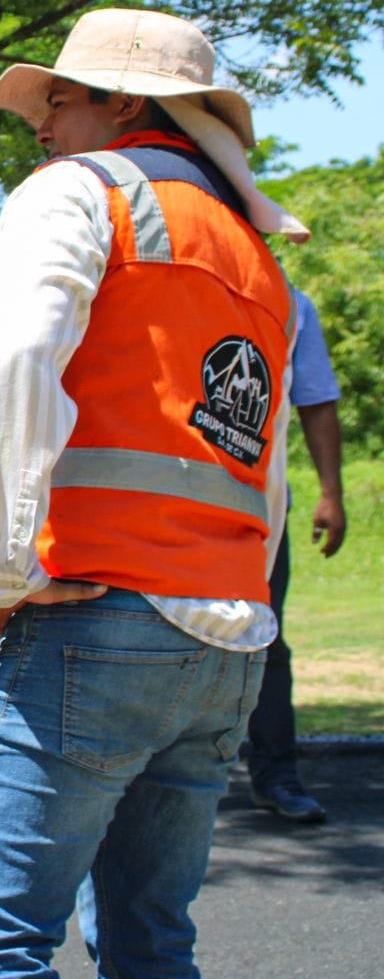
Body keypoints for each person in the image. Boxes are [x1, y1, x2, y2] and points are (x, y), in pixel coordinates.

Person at [0, 8, 314, 977]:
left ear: (125, 102)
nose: (40, 120)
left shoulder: (75, 191)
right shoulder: (257, 260)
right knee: (150, 945)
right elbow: (263, 463)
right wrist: (245, 601)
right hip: (226, 639)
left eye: (59, 97)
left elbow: (15, 366)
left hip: (91, 621)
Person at [245, 287, 346, 823]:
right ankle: (141, 780)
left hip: (259, 506)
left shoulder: (288, 302)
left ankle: (276, 776)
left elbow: (315, 397)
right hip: (167, 497)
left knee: (264, 634)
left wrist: (331, 493)